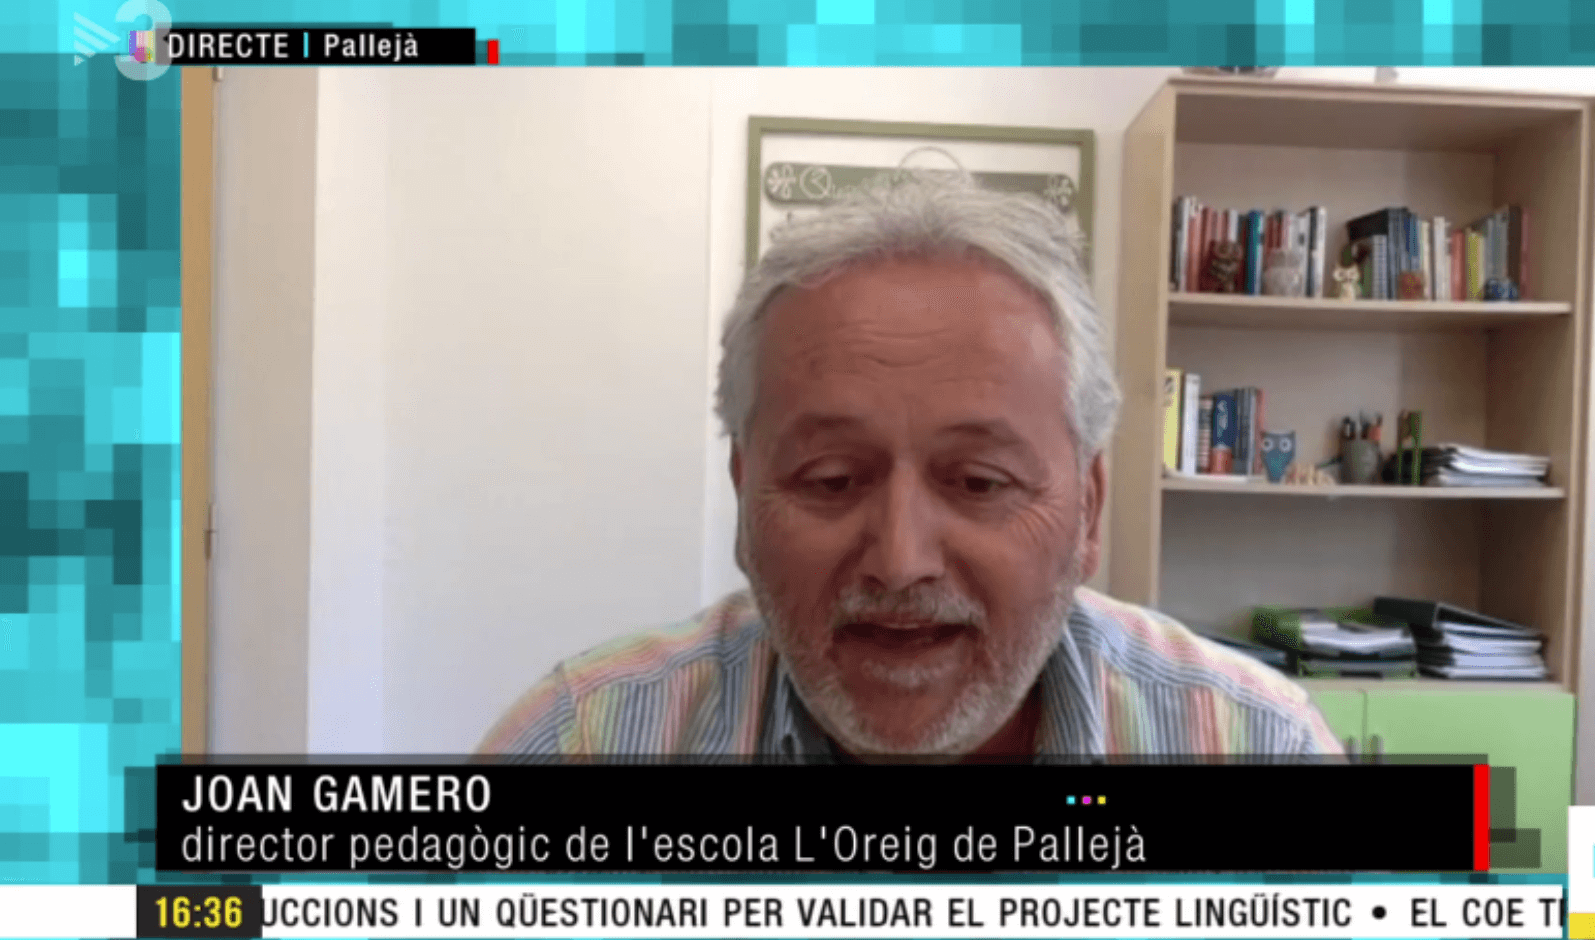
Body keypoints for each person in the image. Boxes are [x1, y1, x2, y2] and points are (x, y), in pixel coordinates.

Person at [479, 172, 1341, 761]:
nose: (900, 561)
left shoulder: (1259, 748)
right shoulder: (581, 741)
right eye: (830, 480)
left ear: (1089, 508)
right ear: (744, 497)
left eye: (979, 483)